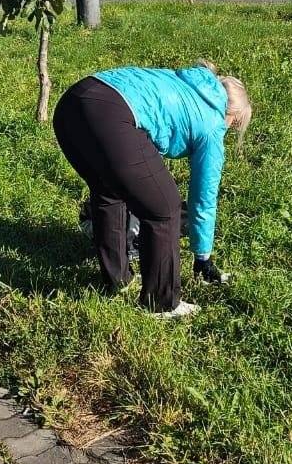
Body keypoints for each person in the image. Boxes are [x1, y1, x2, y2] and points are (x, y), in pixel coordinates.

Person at [53, 62, 252, 318]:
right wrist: (202, 258)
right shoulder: (213, 121)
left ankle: (118, 281)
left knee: (109, 192)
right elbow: (203, 199)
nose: (228, 130)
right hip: (111, 114)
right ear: (231, 113)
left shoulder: (186, 84)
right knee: (164, 207)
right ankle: (162, 303)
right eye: (234, 125)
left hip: (73, 102)